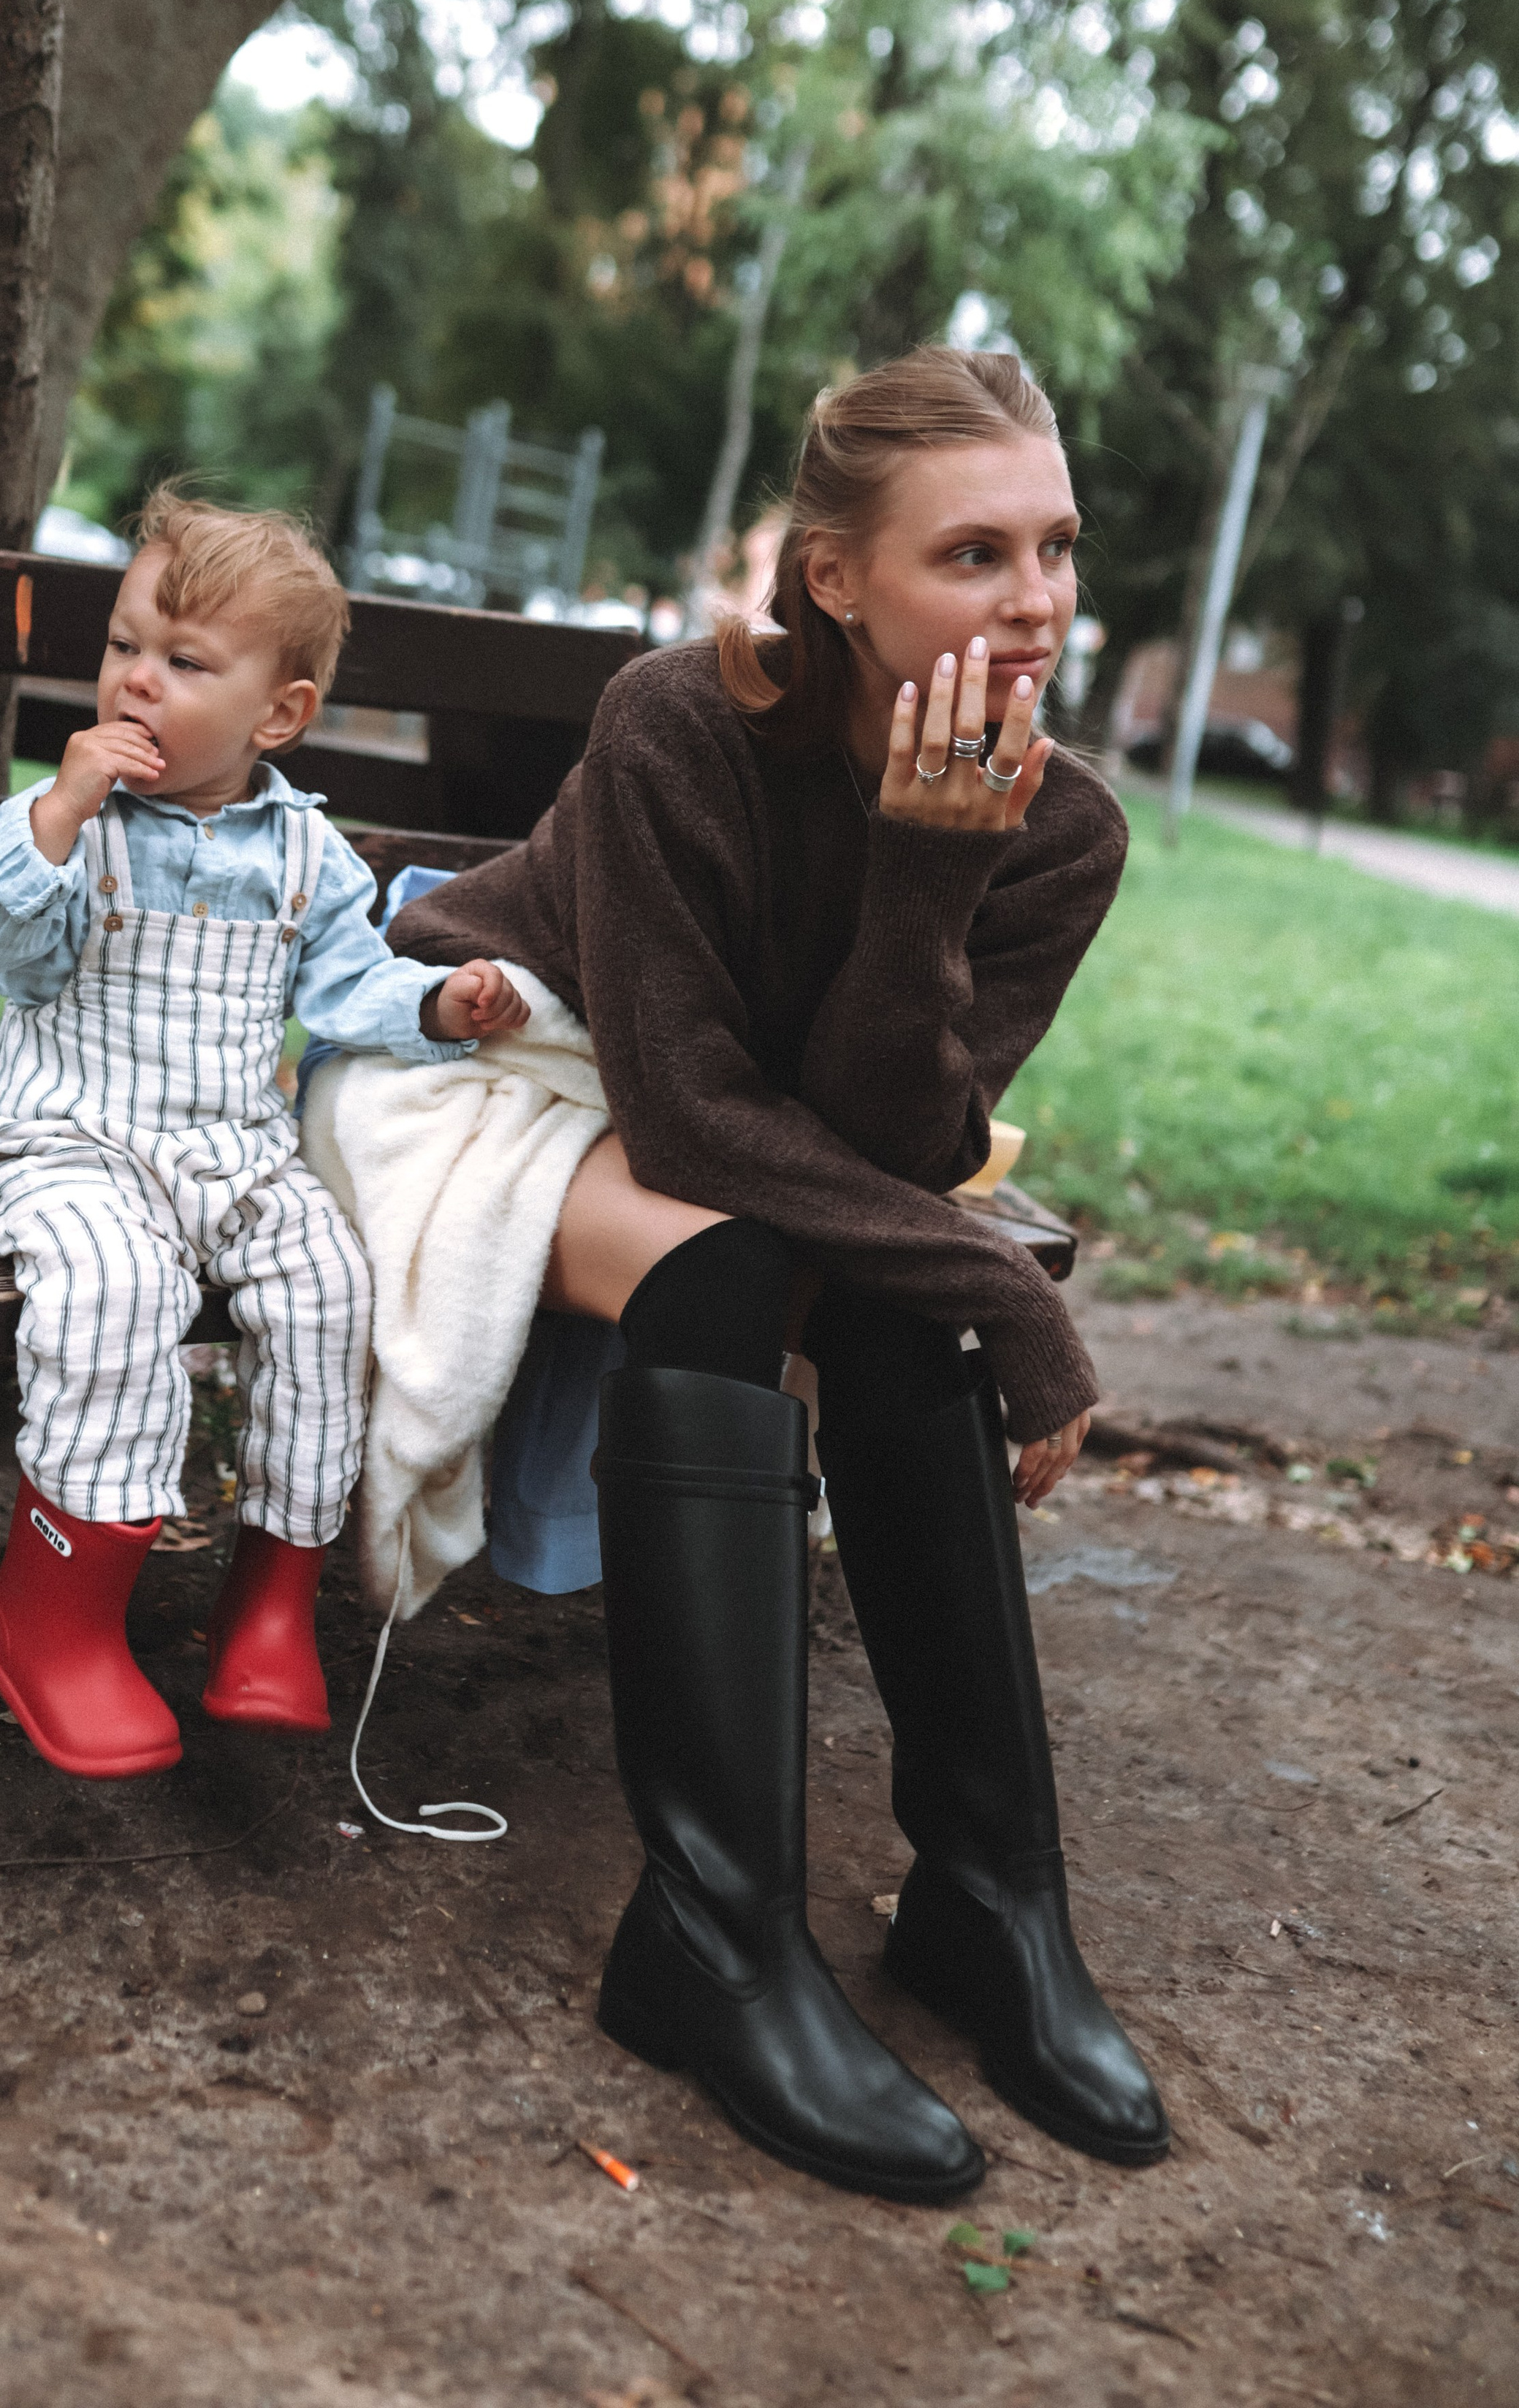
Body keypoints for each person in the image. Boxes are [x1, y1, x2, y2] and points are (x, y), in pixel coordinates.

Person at [384, 346, 1168, 2201]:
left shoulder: (1054, 830)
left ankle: (990, 1905)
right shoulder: (675, 726)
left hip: (707, 1129)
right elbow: (696, 1127)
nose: (1036, 600)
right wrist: (1016, 1294)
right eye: (971, 555)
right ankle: (713, 1942)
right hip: (490, 1058)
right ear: (834, 576)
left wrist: (925, 882)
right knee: (734, 1269)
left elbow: (886, 1151)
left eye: (1054, 548)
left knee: (889, 1293)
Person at [0, 492, 525, 1780]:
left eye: (185, 663)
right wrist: (58, 812)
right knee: (115, 1287)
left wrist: (434, 1003)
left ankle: (267, 1604)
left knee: (327, 1285)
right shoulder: (71, 824)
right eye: (124, 646)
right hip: (72, 1138)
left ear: (278, 715)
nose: (137, 679)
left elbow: (346, 992)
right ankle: (54, 1614)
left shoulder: (305, 855)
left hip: (229, 1149)